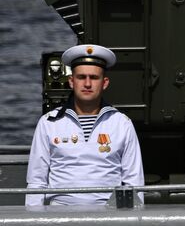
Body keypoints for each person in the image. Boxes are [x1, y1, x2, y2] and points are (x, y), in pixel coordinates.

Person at [26, 44, 145, 207]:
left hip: (108, 213)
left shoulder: (121, 123)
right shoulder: (49, 123)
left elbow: (134, 183)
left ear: (105, 83)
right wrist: (35, 224)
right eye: (81, 77)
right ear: (71, 82)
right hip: (59, 214)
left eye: (94, 78)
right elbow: (36, 182)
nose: (87, 84)